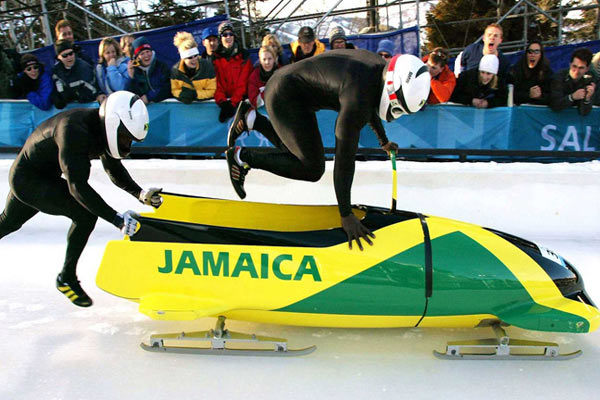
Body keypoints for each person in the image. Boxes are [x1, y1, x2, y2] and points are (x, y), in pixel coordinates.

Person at [225, 50, 430, 250]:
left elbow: (373, 99)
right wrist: (346, 214)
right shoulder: (357, 99)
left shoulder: (377, 68)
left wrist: (383, 141)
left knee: (299, 152)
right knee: (311, 168)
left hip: (290, 88)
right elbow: (344, 158)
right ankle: (242, 157)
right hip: (284, 95)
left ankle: (252, 120)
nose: (396, 115)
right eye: (398, 109)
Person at [0, 91, 162, 307]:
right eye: (125, 138)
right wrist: (117, 220)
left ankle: (66, 277)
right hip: (29, 180)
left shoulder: (100, 126)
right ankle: (67, 277)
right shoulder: (74, 130)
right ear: (114, 124)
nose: (127, 146)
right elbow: (77, 187)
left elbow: (113, 169)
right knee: (85, 215)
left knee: (7, 224)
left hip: (36, 175)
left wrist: (140, 194)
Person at [213, 21, 254, 122]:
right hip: (224, 102)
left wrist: (233, 103)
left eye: (230, 34)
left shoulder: (243, 56)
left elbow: (243, 83)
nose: (228, 37)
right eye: (225, 34)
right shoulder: (215, 58)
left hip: (240, 102)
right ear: (220, 38)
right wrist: (222, 102)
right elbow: (216, 83)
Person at [51, 39, 102, 109]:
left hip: (88, 108)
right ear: (58, 57)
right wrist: (58, 97)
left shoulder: (84, 68)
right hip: (69, 110)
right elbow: (56, 87)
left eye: (71, 53)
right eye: (64, 55)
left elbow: (93, 92)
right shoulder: (56, 71)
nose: (69, 57)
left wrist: (75, 96)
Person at [170, 31, 216, 103]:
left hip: (204, 106)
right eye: (190, 57)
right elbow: (175, 89)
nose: (194, 60)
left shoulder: (207, 66)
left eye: (196, 56)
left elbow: (212, 90)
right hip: (186, 108)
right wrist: (181, 95)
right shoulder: (176, 70)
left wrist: (196, 94)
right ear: (183, 58)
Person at [550, 47, 596, 116]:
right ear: (570, 64)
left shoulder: (588, 80)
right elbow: (554, 104)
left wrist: (587, 99)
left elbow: (584, 113)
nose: (576, 71)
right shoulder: (559, 77)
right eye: (574, 66)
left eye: (581, 68)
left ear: (587, 69)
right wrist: (572, 97)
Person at [126, 36, 171, 104]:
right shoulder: (136, 71)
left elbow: (167, 87)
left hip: (163, 105)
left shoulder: (161, 66)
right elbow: (131, 94)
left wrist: (148, 97)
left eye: (148, 51)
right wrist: (131, 77)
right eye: (142, 54)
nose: (146, 55)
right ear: (137, 57)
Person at [511, 40, 553, 106]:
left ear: (541, 55)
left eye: (536, 52)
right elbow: (510, 93)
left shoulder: (547, 72)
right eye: (530, 51)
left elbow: (553, 96)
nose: (532, 55)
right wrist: (528, 95)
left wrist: (540, 96)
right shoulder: (517, 69)